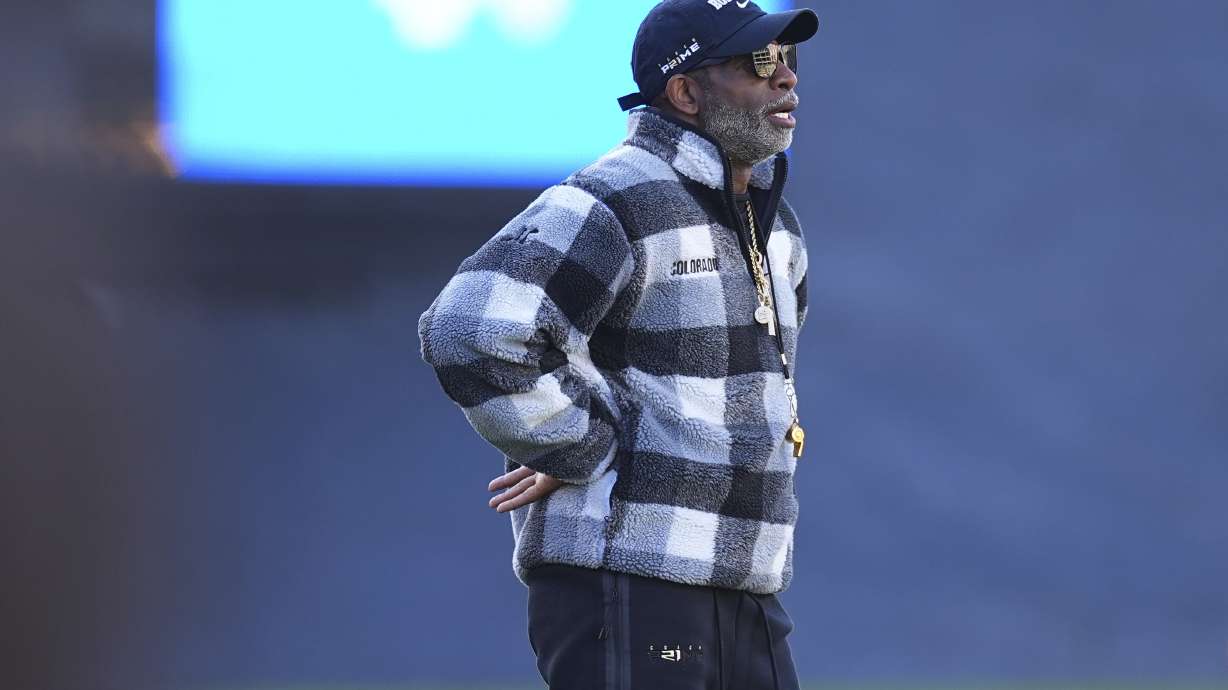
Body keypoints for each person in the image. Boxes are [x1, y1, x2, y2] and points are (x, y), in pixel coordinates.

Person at [417, 1, 818, 687]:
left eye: (788, 60)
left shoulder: (776, 230)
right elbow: (470, 329)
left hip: (743, 589)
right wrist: (582, 448)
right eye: (757, 61)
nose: (783, 79)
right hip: (631, 587)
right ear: (686, 92)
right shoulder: (615, 197)